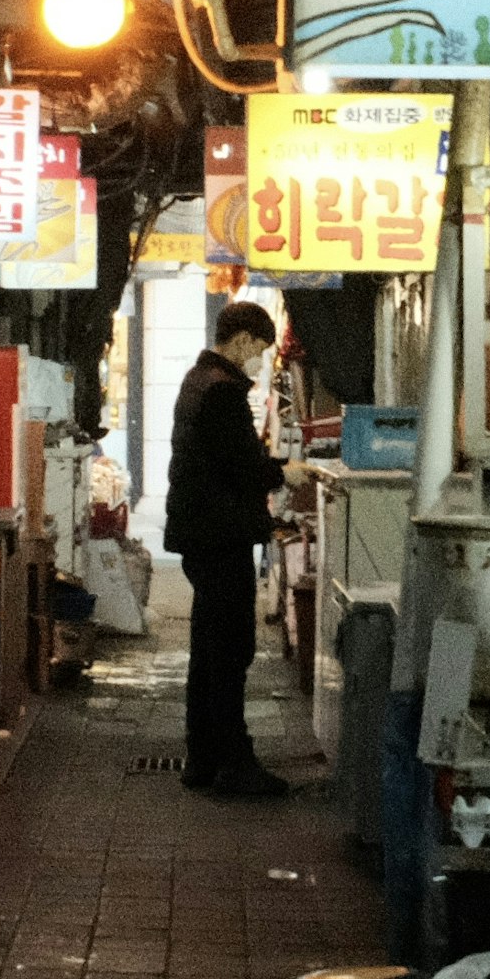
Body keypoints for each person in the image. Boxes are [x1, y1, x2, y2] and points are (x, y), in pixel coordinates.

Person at [167, 300, 308, 797]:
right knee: (229, 650)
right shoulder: (223, 393)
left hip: (200, 533)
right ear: (244, 340)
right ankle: (234, 762)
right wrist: (284, 472)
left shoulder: (196, 380)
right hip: (220, 534)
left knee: (208, 650)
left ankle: (202, 758)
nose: (262, 361)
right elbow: (242, 466)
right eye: (261, 351)